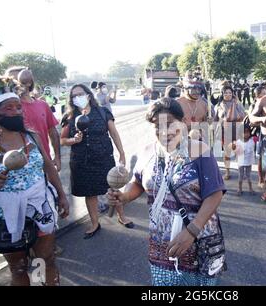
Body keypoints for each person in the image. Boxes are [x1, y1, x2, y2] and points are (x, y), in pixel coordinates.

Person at [107, 98, 226, 286]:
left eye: (169, 124)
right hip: (161, 244)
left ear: (183, 122)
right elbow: (137, 182)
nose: (164, 131)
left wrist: (191, 231)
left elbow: (214, 194)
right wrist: (123, 196)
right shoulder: (147, 153)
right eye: (157, 126)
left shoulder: (199, 150)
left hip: (199, 241)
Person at [0, 76, 69, 285]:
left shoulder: (31, 136)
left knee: (44, 260)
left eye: (18, 107)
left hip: (41, 207)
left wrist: (62, 195)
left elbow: (47, 165)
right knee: (19, 267)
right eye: (8, 109)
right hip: (4, 217)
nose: (16, 112)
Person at [60, 84, 130, 237]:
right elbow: (62, 140)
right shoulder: (69, 117)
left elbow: (114, 133)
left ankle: (121, 216)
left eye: (81, 94)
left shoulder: (102, 112)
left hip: (104, 158)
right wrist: (74, 140)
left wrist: (122, 153)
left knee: (113, 188)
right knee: (89, 193)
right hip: (82, 161)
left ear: (88, 95)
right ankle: (94, 223)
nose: (78, 97)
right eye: (74, 96)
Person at [4, 67, 61, 172]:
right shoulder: (5, 111)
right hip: (17, 167)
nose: (12, 83)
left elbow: (52, 132)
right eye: (9, 80)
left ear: (29, 82)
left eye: (15, 79)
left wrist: (57, 157)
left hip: (44, 163)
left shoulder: (42, 105)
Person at [214, 85, 246, 180]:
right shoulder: (218, 106)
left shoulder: (238, 103)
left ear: (232, 94)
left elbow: (243, 115)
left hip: (237, 129)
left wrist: (237, 105)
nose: (228, 95)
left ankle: (241, 172)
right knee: (227, 152)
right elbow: (215, 119)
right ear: (222, 94)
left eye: (230, 93)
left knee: (239, 151)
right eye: (226, 93)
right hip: (225, 130)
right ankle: (227, 172)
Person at [231, 124, 255, 196]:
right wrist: (234, 147)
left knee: (248, 175)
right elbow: (235, 151)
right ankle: (239, 188)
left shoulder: (251, 141)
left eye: (247, 132)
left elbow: (251, 151)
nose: (246, 134)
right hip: (240, 161)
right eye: (244, 132)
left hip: (248, 161)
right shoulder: (238, 142)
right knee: (240, 175)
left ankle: (250, 188)